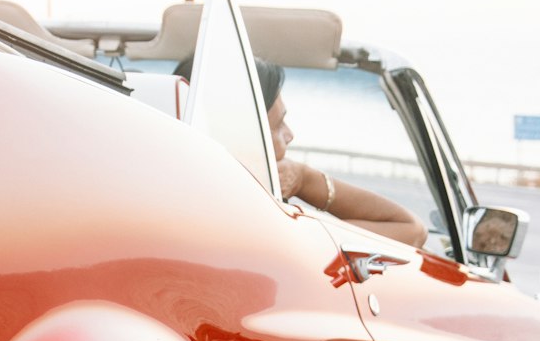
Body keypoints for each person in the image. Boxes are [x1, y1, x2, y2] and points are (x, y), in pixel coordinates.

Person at [175, 55, 426, 248]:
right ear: (245, 140)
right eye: (278, 125)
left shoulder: (171, 220)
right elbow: (410, 229)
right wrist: (305, 180)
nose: (290, 135)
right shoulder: (284, 236)